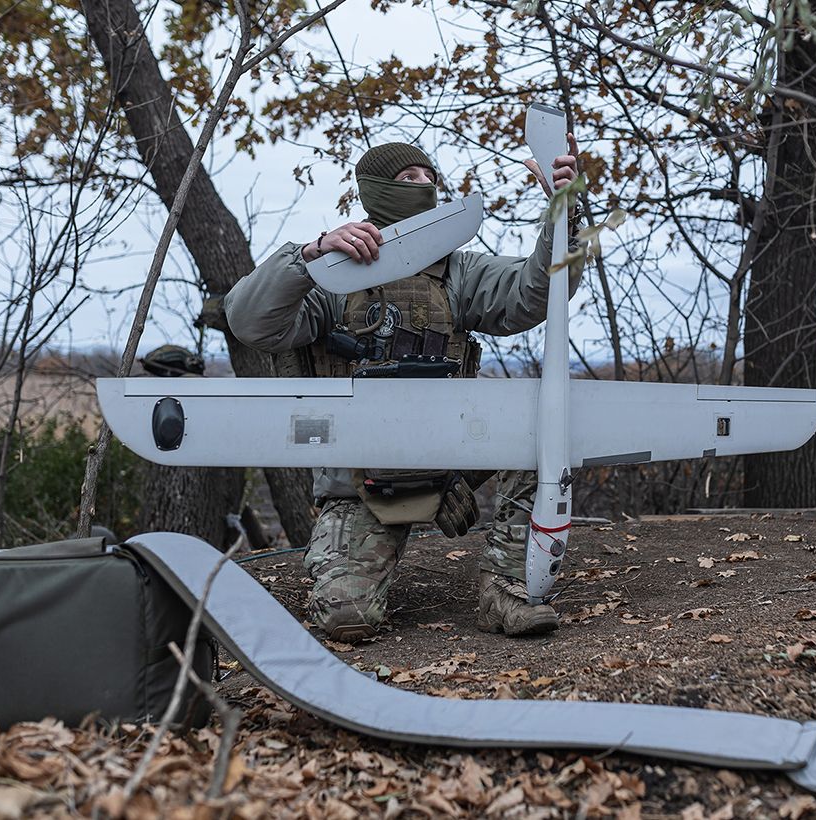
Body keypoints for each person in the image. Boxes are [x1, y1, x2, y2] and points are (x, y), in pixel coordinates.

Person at [224, 138, 583, 642]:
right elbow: (249, 322)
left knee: (538, 433)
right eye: (408, 178)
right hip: (362, 479)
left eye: (429, 177)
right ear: (374, 189)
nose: (424, 186)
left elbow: (533, 293)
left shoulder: (458, 272)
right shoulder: (333, 275)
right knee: (346, 616)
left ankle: (504, 588)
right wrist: (309, 255)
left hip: (453, 459)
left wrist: (563, 214)